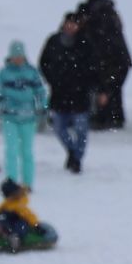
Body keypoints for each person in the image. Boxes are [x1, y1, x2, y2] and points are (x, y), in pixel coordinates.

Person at [40, 11, 100, 175]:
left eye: (74, 24)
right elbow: (43, 62)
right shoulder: (53, 41)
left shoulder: (85, 42)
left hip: (80, 95)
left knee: (81, 130)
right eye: (68, 23)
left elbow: (94, 67)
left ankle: (77, 159)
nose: (71, 26)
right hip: (59, 94)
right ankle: (72, 152)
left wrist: (90, 84)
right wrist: (52, 79)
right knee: (59, 128)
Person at [0, 41, 48, 190]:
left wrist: (43, 109)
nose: (18, 59)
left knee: (27, 152)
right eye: (15, 56)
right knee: (11, 151)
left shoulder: (31, 72)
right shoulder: (4, 73)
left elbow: (40, 92)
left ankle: (27, 183)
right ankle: (11, 182)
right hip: (9, 118)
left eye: (20, 56)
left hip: (28, 118)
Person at [79, 0, 132, 130]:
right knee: (113, 89)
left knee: (106, 89)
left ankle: (105, 119)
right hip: (120, 58)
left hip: (110, 59)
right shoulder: (111, 13)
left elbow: (100, 40)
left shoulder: (97, 16)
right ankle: (114, 119)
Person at [0, 180, 59, 254]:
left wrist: (36, 225)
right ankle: (4, 232)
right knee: (2, 221)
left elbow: (29, 216)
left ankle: (16, 238)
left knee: (21, 226)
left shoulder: (20, 204)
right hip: (9, 219)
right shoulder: (7, 203)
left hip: (21, 220)